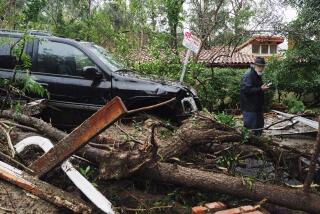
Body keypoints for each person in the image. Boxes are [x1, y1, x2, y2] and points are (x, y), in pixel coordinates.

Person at [240, 57, 269, 135]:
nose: (261, 68)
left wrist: (262, 88)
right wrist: (260, 89)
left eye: (262, 66)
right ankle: (249, 146)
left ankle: (258, 144)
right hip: (250, 108)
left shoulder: (257, 74)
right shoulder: (248, 75)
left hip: (257, 108)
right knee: (250, 131)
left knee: (259, 128)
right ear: (254, 66)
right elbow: (246, 90)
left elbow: (256, 88)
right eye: (259, 66)